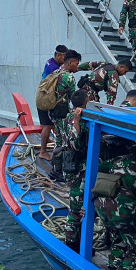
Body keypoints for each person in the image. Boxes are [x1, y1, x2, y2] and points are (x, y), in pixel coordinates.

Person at [94, 115, 136, 270]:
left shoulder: (115, 161)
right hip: (123, 208)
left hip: (101, 204)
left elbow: (97, 170)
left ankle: (113, 268)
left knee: (118, 237)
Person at [49, 50, 102, 181]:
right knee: (66, 142)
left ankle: (56, 169)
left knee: (58, 138)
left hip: (53, 111)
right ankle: (62, 170)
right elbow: (73, 97)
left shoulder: (56, 72)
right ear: (70, 62)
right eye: (76, 64)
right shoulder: (69, 77)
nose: (77, 67)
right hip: (63, 113)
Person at [62, 90, 91, 252]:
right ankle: (72, 244)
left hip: (75, 167)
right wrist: (78, 122)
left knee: (81, 206)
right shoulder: (74, 119)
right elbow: (75, 144)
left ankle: (78, 240)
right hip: (76, 169)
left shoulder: (66, 117)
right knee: (75, 208)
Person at [37, 45, 68, 160]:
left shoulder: (50, 61)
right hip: (46, 99)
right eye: (64, 57)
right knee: (48, 125)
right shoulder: (54, 69)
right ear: (58, 55)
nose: (65, 59)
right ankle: (43, 151)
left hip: (41, 96)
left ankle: (45, 140)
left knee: (46, 124)